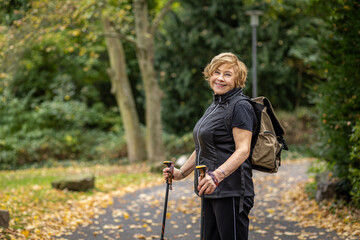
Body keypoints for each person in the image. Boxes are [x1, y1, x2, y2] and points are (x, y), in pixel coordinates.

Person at [163, 52, 256, 240]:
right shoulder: (215, 106)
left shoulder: (240, 106)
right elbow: (201, 146)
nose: (220, 78)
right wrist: (181, 173)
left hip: (231, 190)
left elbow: (243, 149)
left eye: (228, 74)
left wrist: (217, 176)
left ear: (238, 79)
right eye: (216, 72)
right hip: (209, 188)